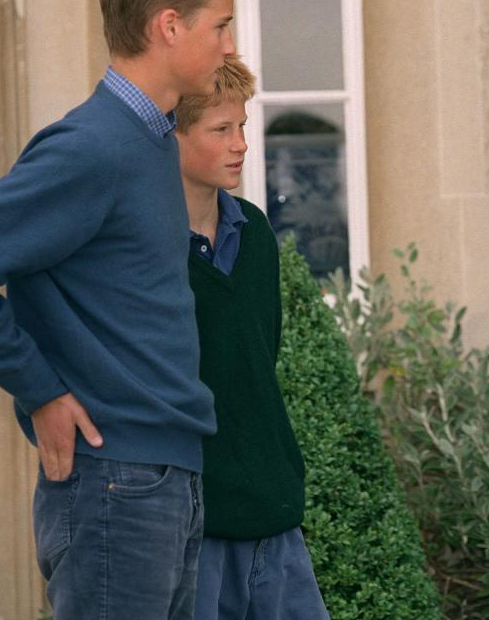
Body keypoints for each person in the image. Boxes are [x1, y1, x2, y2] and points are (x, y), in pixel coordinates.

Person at [0, 0, 252, 620]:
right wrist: (41, 390)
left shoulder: (146, 143)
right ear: (169, 26)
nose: (230, 45)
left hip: (163, 479)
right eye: (221, 25)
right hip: (116, 486)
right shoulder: (93, 146)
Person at [175, 56, 330, 620]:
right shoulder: (144, 248)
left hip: (274, 511)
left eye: (242, 126)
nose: (241, 144)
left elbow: (262, 360)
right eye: (221, 130)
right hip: (193, 526)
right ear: (173, 135)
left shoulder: (257, 231)